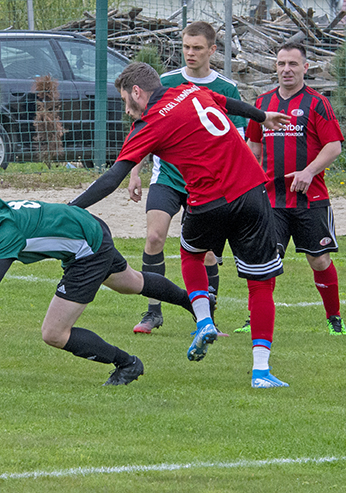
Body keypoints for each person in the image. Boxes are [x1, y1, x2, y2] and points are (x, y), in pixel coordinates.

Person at [70, 62, 294, 388]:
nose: (127, 110)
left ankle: (204, 321)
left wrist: (70, 209)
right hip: (250, 190)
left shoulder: (150, 122)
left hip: (208, 201)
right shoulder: (191, 90)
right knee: (260, 284)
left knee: (191, 255)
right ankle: (261, 372)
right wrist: (262, 116)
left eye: (125, 100)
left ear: (137, 92)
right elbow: (229, 104)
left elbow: (112, 177)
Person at [0, 198, 201, 386]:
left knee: (54, 332)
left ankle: (127, 363)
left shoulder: (7, 232)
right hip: (88, 228)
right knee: (131, 282)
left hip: (87, 251)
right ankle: (201, 308)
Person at [127, 21, 247, 336]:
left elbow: (237, 140)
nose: (190, 53)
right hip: (168, 178)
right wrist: (134, 171)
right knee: (154, 237)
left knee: (206, 253)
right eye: (186, 47)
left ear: (212, 50)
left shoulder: (226, 89)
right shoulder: (166, 83)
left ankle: (205, 320)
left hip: (207, 184)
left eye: (197, 48)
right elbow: (144, 131)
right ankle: (153, 312)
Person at [245, 43, 346, 336]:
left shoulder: (317, 103)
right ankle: (255, 318)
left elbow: (334, 146)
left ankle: (334, 318)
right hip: (271, 199)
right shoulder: (263, 102)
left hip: (310, 199)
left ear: (305, 67)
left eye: (292, 64)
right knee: (265, 259)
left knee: (319, 259)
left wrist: (309, 171)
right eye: (281, 64)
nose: (286, 70)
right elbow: (254, 146)